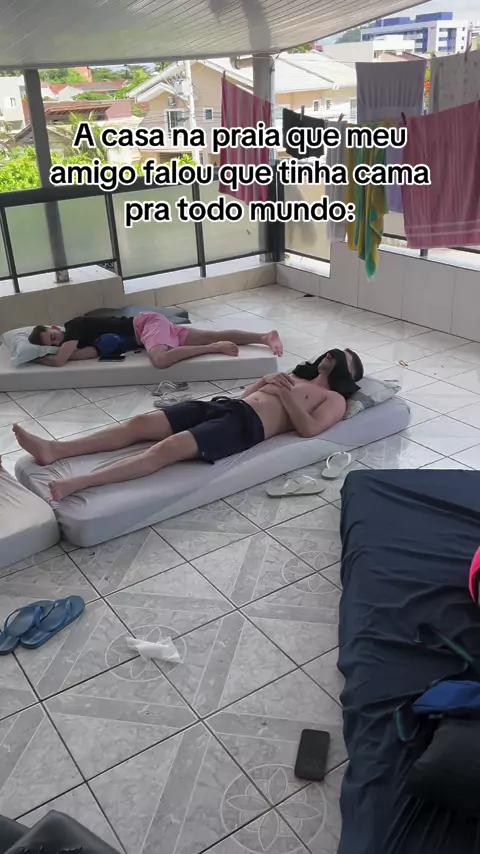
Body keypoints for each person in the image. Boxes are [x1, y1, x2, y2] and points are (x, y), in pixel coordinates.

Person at [12, 347, 364, 501]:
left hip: (246, 428)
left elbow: (309, 430)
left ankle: (78, 483)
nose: (330, 355)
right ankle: (55, 449)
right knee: (140, 423)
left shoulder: (334, 398)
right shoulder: (296, 376)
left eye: (340, 357)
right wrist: (263, 383)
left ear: (348, 375)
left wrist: (286, 397)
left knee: (167, 449)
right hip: (229, 407)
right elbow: (248, 395)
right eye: (331, 351)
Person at [28, 311, 283, 369]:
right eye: (53, 343)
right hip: (150, 326)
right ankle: (264, 337)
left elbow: (61, 360)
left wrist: (36, 358)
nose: (57, 343)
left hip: (146, 326)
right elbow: (82, 355)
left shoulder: (73, 327)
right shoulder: (78, 340)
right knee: (211, 333)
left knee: (160, 360)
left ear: (55, 327)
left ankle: (213, 348)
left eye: (53, 337)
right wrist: (52, 352)